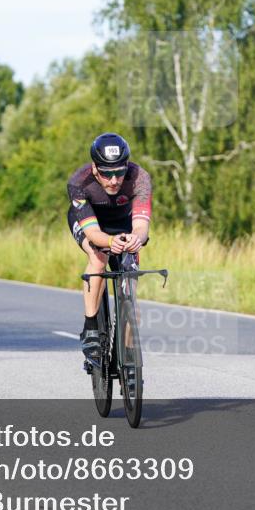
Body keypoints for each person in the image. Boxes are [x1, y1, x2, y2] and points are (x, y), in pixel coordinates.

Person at [66, 133, 152, 359]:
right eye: (106, 173)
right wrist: (111, 242)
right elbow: (93, 234)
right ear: (95, 168)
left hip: (123, 223)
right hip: (91, 222)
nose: (114, 180)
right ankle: (91, 326)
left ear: (126, 167)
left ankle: (128, 357)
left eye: (119, 172)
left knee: (130, 284)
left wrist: (136, 239)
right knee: (98, 258)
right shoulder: (79, 182)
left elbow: (141, 226)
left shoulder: (140, 178)